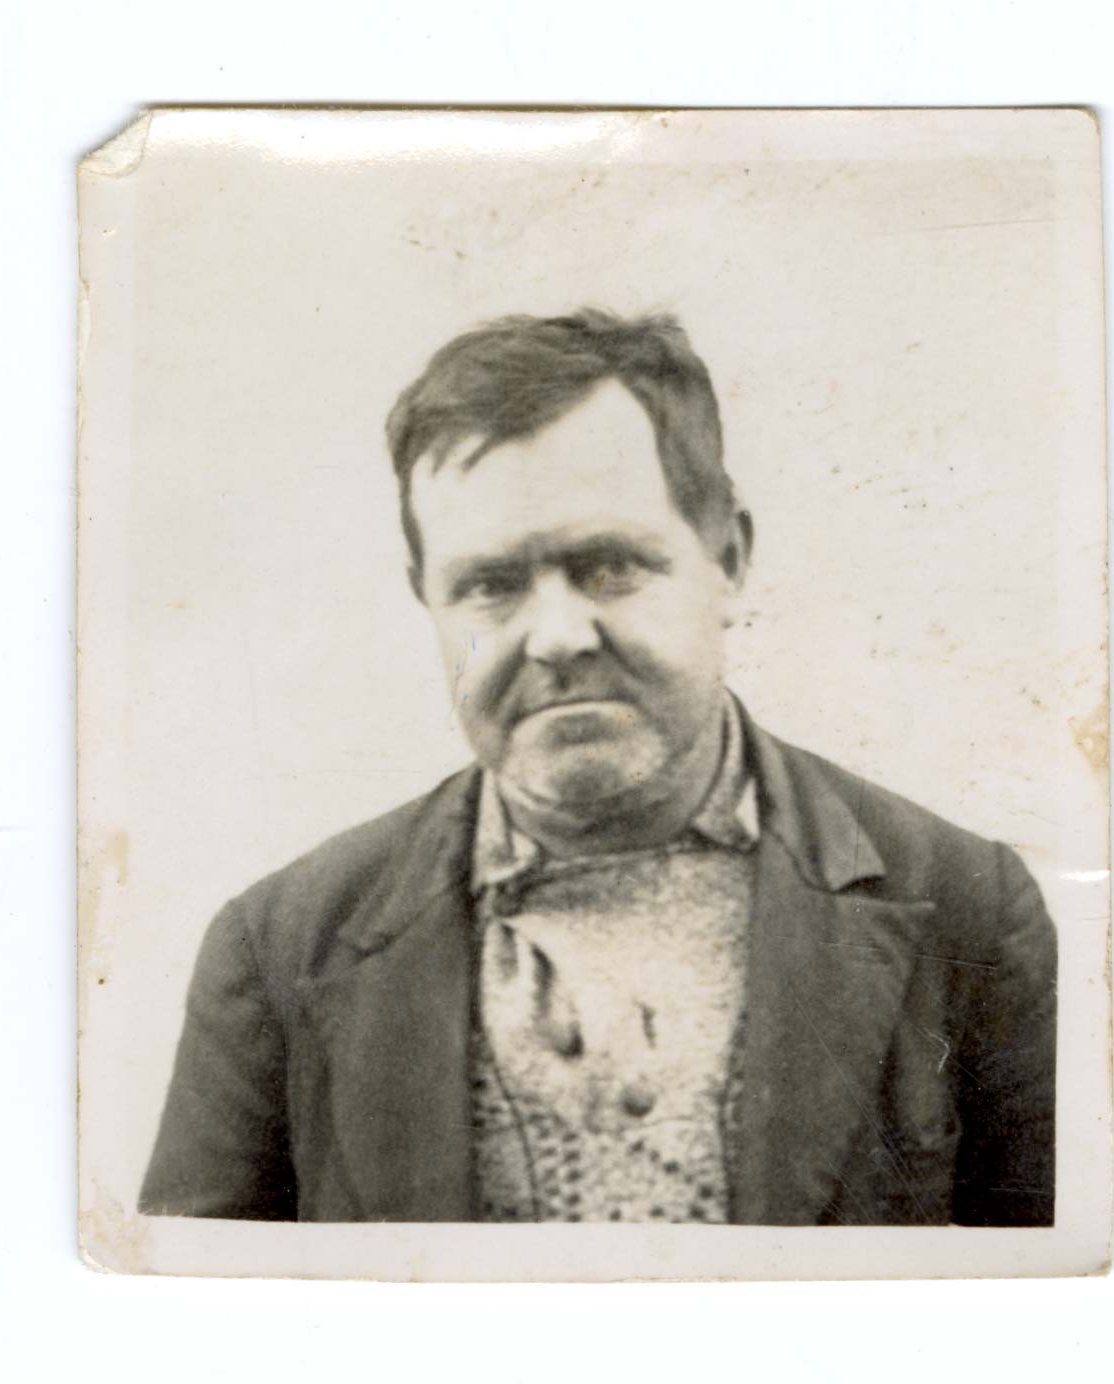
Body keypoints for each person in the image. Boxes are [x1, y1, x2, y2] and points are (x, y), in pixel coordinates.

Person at [140, 309, 1056, 1227]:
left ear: (729, 560)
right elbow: (188, 1307)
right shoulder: (279, 948)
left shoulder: (966, 906)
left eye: (610, 567)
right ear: (429, 600)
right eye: (489, 585)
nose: (557, 637)